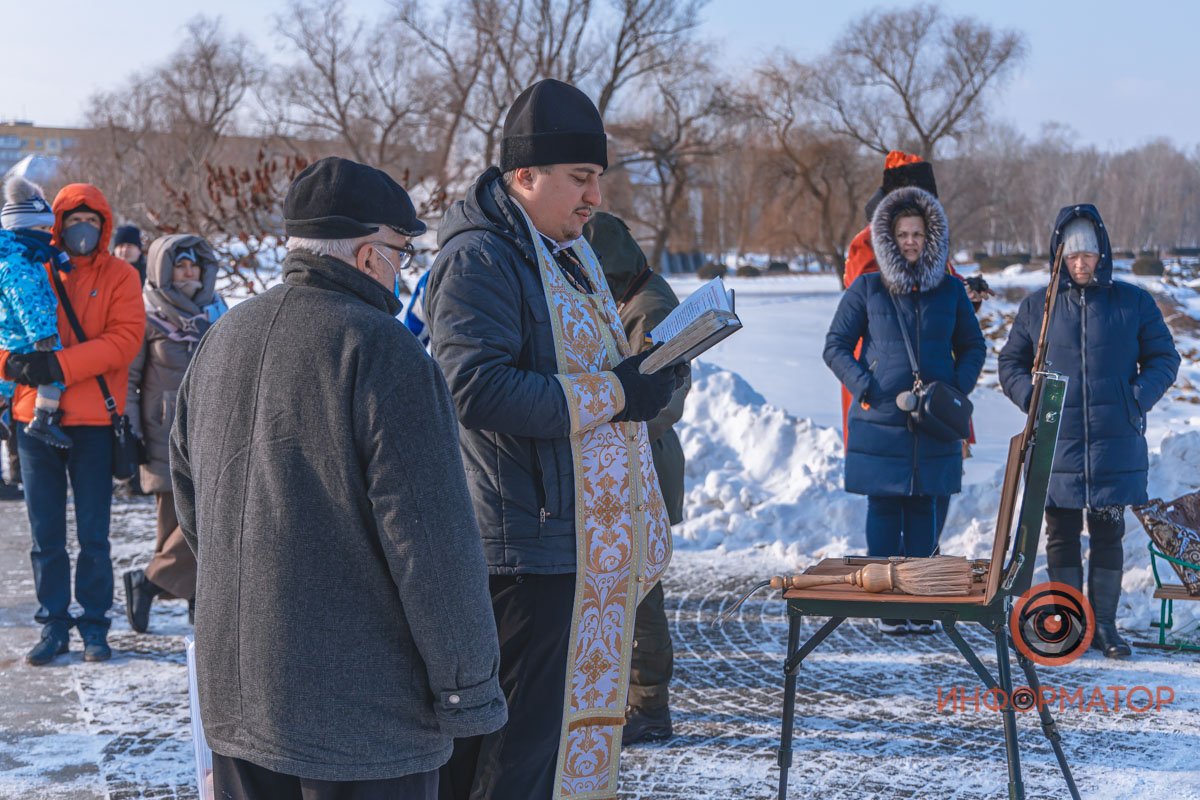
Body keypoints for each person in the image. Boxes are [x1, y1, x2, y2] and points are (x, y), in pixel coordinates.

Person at [170, 156, 506, 799]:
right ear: (366, 254)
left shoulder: (222, 339)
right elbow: (433, 548)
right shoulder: (385, 352)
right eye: (401, 250)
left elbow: (195, 511)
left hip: (239, 699)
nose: (402, 267)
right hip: (364, 721)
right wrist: (469, 690)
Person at [426, 79, 684, 800]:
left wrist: (640, 381)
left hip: (570, 540)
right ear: (524, 175)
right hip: (520, 545)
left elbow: (574, 366)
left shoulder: (563, 251)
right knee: (512, 756)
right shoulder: (481, 259)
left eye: (596, 178)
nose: (594, 197)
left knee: (545, 746)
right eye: (580, 178)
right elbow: (472, 389)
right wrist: (615, 393)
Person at [998, 205, 1179, 658]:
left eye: (1088, 255)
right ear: (1059, 255)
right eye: (1072, 255)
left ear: (1103, 255)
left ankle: (1107, 628)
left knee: (1107, 533)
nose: (1081, 263)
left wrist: (1134, 398)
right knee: (1059, 536)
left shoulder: (1132, 303)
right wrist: (1033, 402)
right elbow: (1010, 364)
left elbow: (1164, 359)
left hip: (1114, 443)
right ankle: (1071, 625)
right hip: (1056, 446)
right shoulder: (1037, 307)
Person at [823, 186, 986, 635]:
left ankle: (920, 598)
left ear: (931, 238)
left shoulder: (951, 291)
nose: (910, 241)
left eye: (918, 233)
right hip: (881, 418)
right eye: (902, 234)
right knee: (885, 507)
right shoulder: (868, 288)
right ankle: (886, 603)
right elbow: (835, 347)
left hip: (932, 421)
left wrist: (954, 390)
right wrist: (865, 387)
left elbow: (973, 345)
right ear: (887, 239)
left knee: (924, 509)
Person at [0, 182, 145, 665]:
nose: (82, 229)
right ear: (56, 223)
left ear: (104, 225)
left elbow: (124, 341)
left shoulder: (121, 275)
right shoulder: (28, 261)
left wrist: (57, 368)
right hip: (31, 420)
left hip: (93, 423)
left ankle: (96, 626)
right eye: (73, 220)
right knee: (46, 534)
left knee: (94, 534)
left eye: (93, 220)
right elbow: (5, 329)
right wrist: (11, 366)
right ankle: (53, 624)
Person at [583, 211, 688, 745]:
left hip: (645, 466)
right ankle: (633, 698)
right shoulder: (635, 298)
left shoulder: (650, 307)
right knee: (627, 587)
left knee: (641, 592)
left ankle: (649, 707)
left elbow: (663, 400)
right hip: (630, 465)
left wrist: (605, 404)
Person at [122, 235, 226, 633]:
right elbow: (131, 379)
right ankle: (179, 595)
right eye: (180, 265)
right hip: (163, 432)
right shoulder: (147, 314)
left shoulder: (217, 312)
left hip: (214, 428)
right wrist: (131, 431)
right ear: (163, 269)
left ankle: (150, 583)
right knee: (177, 525)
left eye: (194, 265)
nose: (188, 272)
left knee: (208, 518)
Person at [0, 177, 73, 451]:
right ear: (26, 228)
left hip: (11, 334)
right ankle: (44, 418)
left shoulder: (16, 257)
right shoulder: (21, 264)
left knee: (6, 380)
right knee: (55, 374)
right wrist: (43, 335)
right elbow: (27, 302)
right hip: (29, 335)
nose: (49, 234)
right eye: (43, 227)